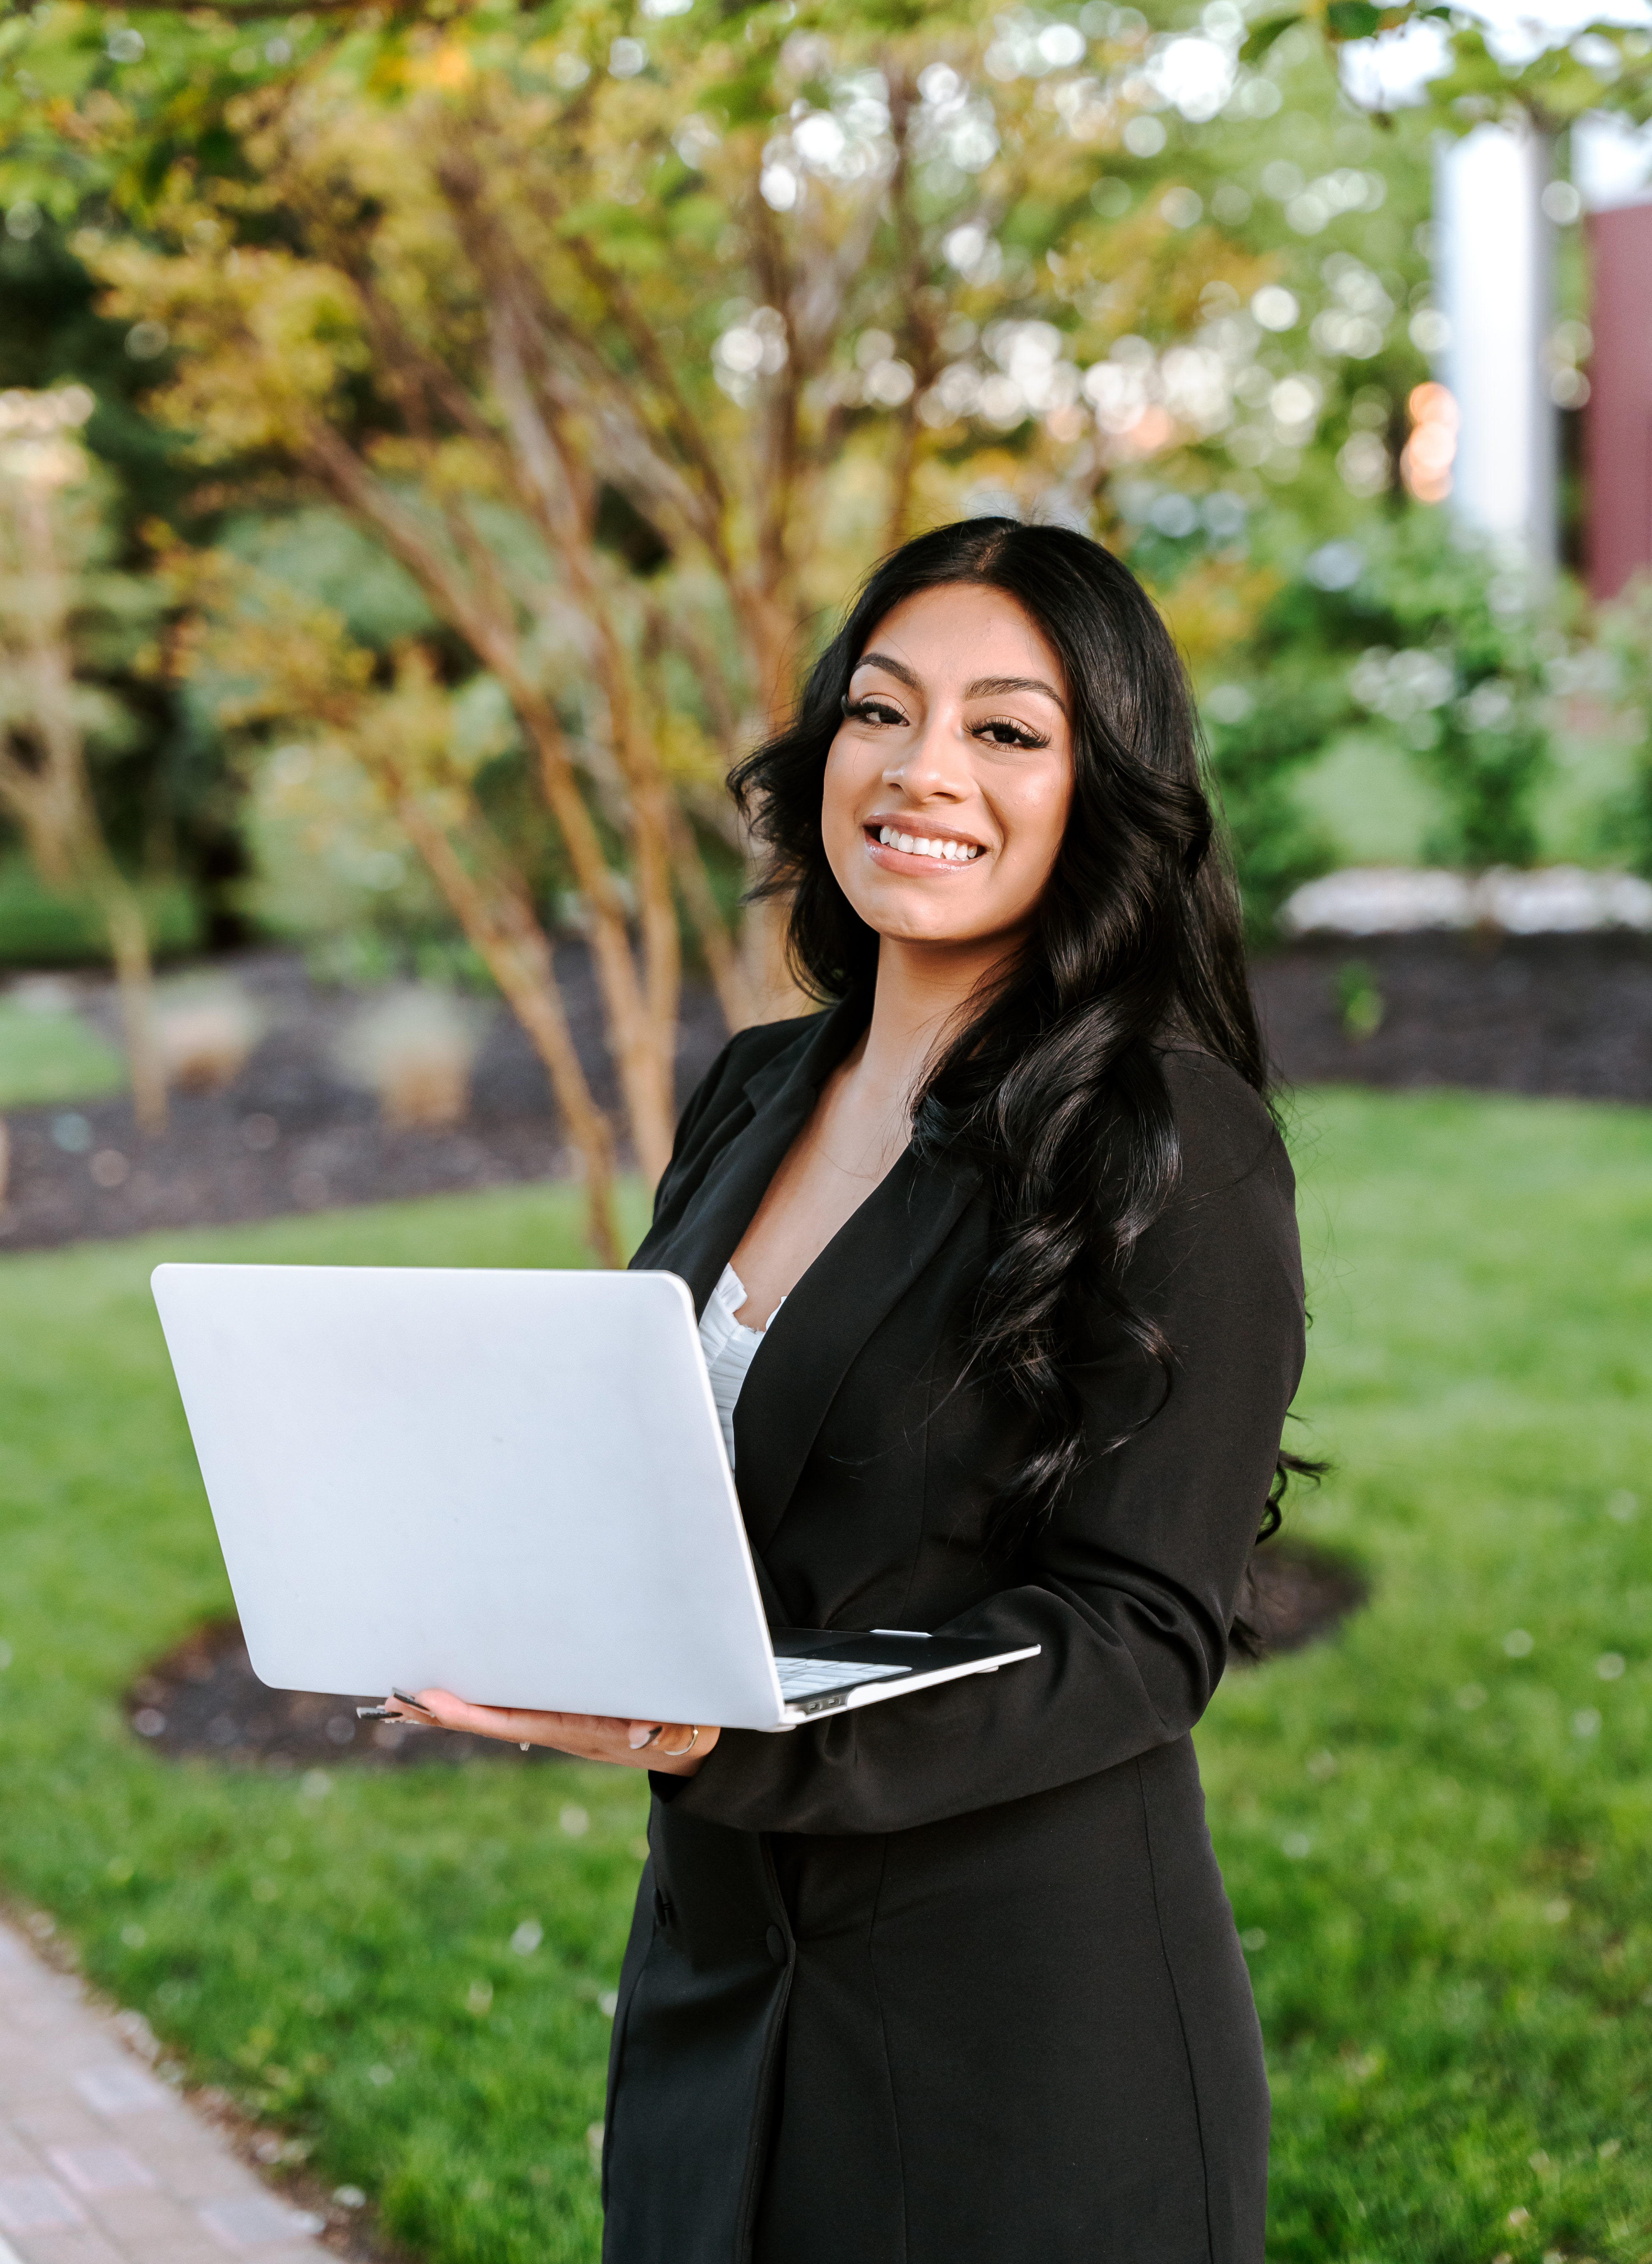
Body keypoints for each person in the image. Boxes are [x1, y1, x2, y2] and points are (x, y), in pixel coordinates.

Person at [392, 517, 1308, 2264]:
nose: (921, 771)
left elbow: (1142, 1632)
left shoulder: (1169, 1145)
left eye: (1005, 730)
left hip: (1016, 2042)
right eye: (881, 713)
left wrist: (721, 1735)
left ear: (1101, 788)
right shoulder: (753, 1090)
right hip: (720, 1977)